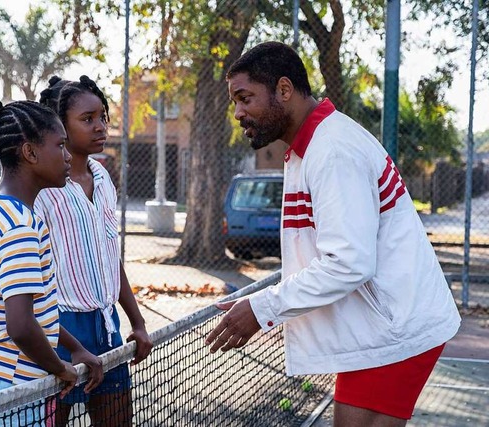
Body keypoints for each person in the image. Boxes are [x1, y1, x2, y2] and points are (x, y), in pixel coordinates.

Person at [205, 42, 461, 427]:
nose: (238, 112)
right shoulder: (308, 147)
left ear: (284, 90)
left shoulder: (333, 150)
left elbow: (348, 263)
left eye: (245, 98)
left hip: (396, 329)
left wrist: (263, 309)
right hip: (381, 327)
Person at [0, 99, 105, 415]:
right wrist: (62, 369)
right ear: (30, 153)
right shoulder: (20, 226)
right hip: (9, 387)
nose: (68, 156)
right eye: (60, 145)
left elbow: (35, 311)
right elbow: (21, 325)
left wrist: (75, 348)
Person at [36, 75, 153, 425]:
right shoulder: (42, 187)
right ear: (60, 126)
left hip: (107, 327)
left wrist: (138, 321)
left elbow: (109, 255)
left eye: (102, 116)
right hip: (59, 330)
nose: (100, 126)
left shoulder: (102, 177)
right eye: (87, 119)